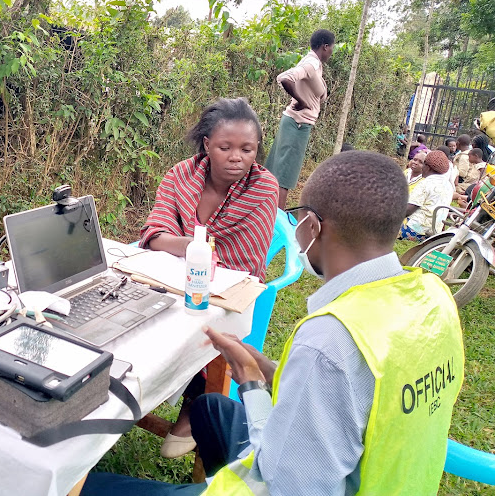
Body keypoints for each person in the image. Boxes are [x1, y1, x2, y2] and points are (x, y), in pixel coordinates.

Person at [82, 151, 464, 496]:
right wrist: (262, 373)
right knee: (210, 409)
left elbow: (287, 487)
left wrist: (251, 385)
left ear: (312, 226)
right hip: (377, 474)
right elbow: (359, 397)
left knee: (87, 487)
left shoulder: (330, 340)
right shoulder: (433, 298)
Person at [139, 97, 278, 458]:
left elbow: (246, 263)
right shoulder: (180, 175)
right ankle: (135, 389)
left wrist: (189, 254)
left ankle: (194, 401)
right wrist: (188, 246)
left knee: (202, 321)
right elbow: (155, 231)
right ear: (206, 145)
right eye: (225, 147)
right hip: (166, 278)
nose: (237, 157)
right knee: (135, 312)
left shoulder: (263, 188)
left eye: (248, 149)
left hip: (228, 289)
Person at [264, 29, 334, 209]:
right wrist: (302, 101)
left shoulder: (315, 64)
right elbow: (285, 78)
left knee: (277, 173)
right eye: (331, 48)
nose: (331, 52)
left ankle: (268, 215)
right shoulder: (311, 64)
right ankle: (277, 221)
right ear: (325, 47)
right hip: (297, 124)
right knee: (284, 177)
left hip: (295, 123)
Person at [399, 150, 455, 240]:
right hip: (433, 234)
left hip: (413, 231)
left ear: (428, 167)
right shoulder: (448, 186)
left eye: (423, 164)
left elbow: (408, 210)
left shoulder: (426, 183)